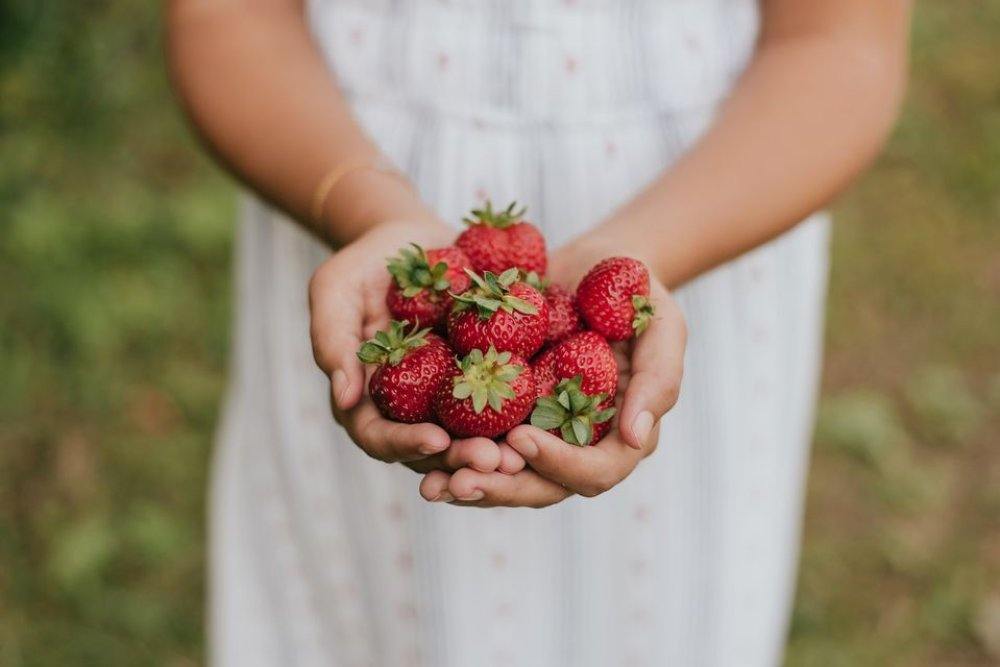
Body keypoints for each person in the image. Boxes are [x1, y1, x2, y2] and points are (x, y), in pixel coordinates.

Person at [167, 1, 911, 665]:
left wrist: (643, 254)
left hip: (715, 191)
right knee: (351, 602)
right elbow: (227, 15)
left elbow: (839, 40)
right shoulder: (398, 282)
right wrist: (369, 213)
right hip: (332, 157)